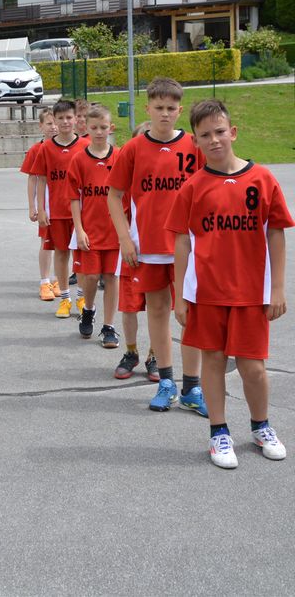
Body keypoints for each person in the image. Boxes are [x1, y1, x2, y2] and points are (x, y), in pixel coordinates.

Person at [166, 99, 292, 468]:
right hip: (207, 293)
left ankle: (261, 425)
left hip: (251, 293)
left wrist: (277, 289)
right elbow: (182, 243)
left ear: (232, 132)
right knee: (214, 361)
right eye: (205, 135)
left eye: (220, 131)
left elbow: (276, 234)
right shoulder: (193, 187)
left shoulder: (262, 179)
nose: (214, 140)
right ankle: (218, 432)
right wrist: (180, 297)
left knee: (253, 367)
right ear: (195, 141)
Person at [107, 77, 206, 415]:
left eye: (171, 108)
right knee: (158, 312)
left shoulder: (193, 145)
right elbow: (114, 195)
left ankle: (192, 386)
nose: (165, 113)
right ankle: (166, 381)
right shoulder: (133, 149)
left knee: (190, 316)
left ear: (180, 110)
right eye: (159, 107)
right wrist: (125, 238)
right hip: (147, 247)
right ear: (147, 108)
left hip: (188, 248)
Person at [68, 104, 119, 345]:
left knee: (111, 278)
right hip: (90, 230)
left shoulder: (120, 157)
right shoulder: (79, 159)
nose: (99, 132)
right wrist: (79, 230)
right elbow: (74, 197)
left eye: (103, 127)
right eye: (94, 127)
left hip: (115, 231)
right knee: (89, 277)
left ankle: (109, 326)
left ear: (111, 128)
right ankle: (88, 309)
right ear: (86, 128)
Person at [113, 122, 158, 381]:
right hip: (132, 251)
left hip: (159, 252)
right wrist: (124, 240)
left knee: (157, 307)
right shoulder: (125, 178)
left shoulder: (163, 179)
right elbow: (115, 208)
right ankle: (131, 352)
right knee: (129, 306)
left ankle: (155, 355)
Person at [35, 100, 88, 318]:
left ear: (76, 119)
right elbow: (41, 179)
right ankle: (65, 298)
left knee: (82, 256)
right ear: (55, 121)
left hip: (82, 214)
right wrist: (41, 209)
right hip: (57, 211)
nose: (65, 122)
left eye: (69, 117)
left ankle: (82, 298)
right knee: (61, 253)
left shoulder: (85, 146)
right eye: (61, 118)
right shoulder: (46, 148)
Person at [22, 109, 59, 301]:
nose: (54, 127)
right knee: (46, 242)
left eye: (55, 123)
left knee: (63, 246)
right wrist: (33, 206)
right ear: (41, 126)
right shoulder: (37, 150)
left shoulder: (67, 148)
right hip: (46, 205)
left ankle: (58, 280)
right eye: (49, 124)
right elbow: (32, 179)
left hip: (64, 204)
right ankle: (45, 281)